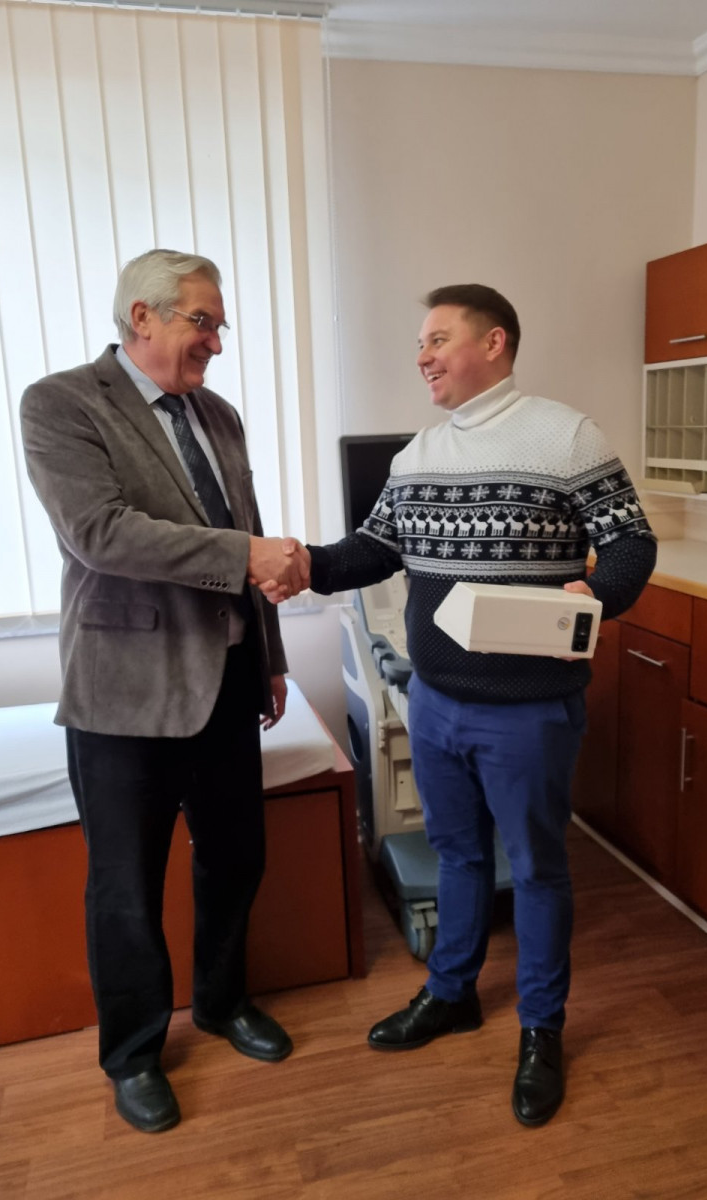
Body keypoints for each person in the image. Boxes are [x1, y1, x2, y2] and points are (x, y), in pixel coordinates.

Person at [263, 284, 657, 1127]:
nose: (422, 356)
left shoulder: (566, 437)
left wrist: (596, 596)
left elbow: (631, 542)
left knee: (538, 868)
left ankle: (542, 1030)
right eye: (420, 343)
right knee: (458, 857)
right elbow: (374, 550)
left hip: (529, 709)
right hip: (435, 701)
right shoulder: (417, 456)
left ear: (495, 342)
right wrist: (302, 564)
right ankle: (452, 993)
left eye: (438, 339)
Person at [20, 249, 310, 1134]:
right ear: (141, 317)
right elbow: (102, 533)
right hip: (124, 692)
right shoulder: (62, 404)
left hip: (226, 681)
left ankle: (222, 1003)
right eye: (203, 321)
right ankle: (135, 1052)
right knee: (125, 884)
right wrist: (245, 556)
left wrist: (269, 657)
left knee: (236, 857)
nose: (217, 342)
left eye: (219, 325)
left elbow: (246, 530)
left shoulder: (218, 414)